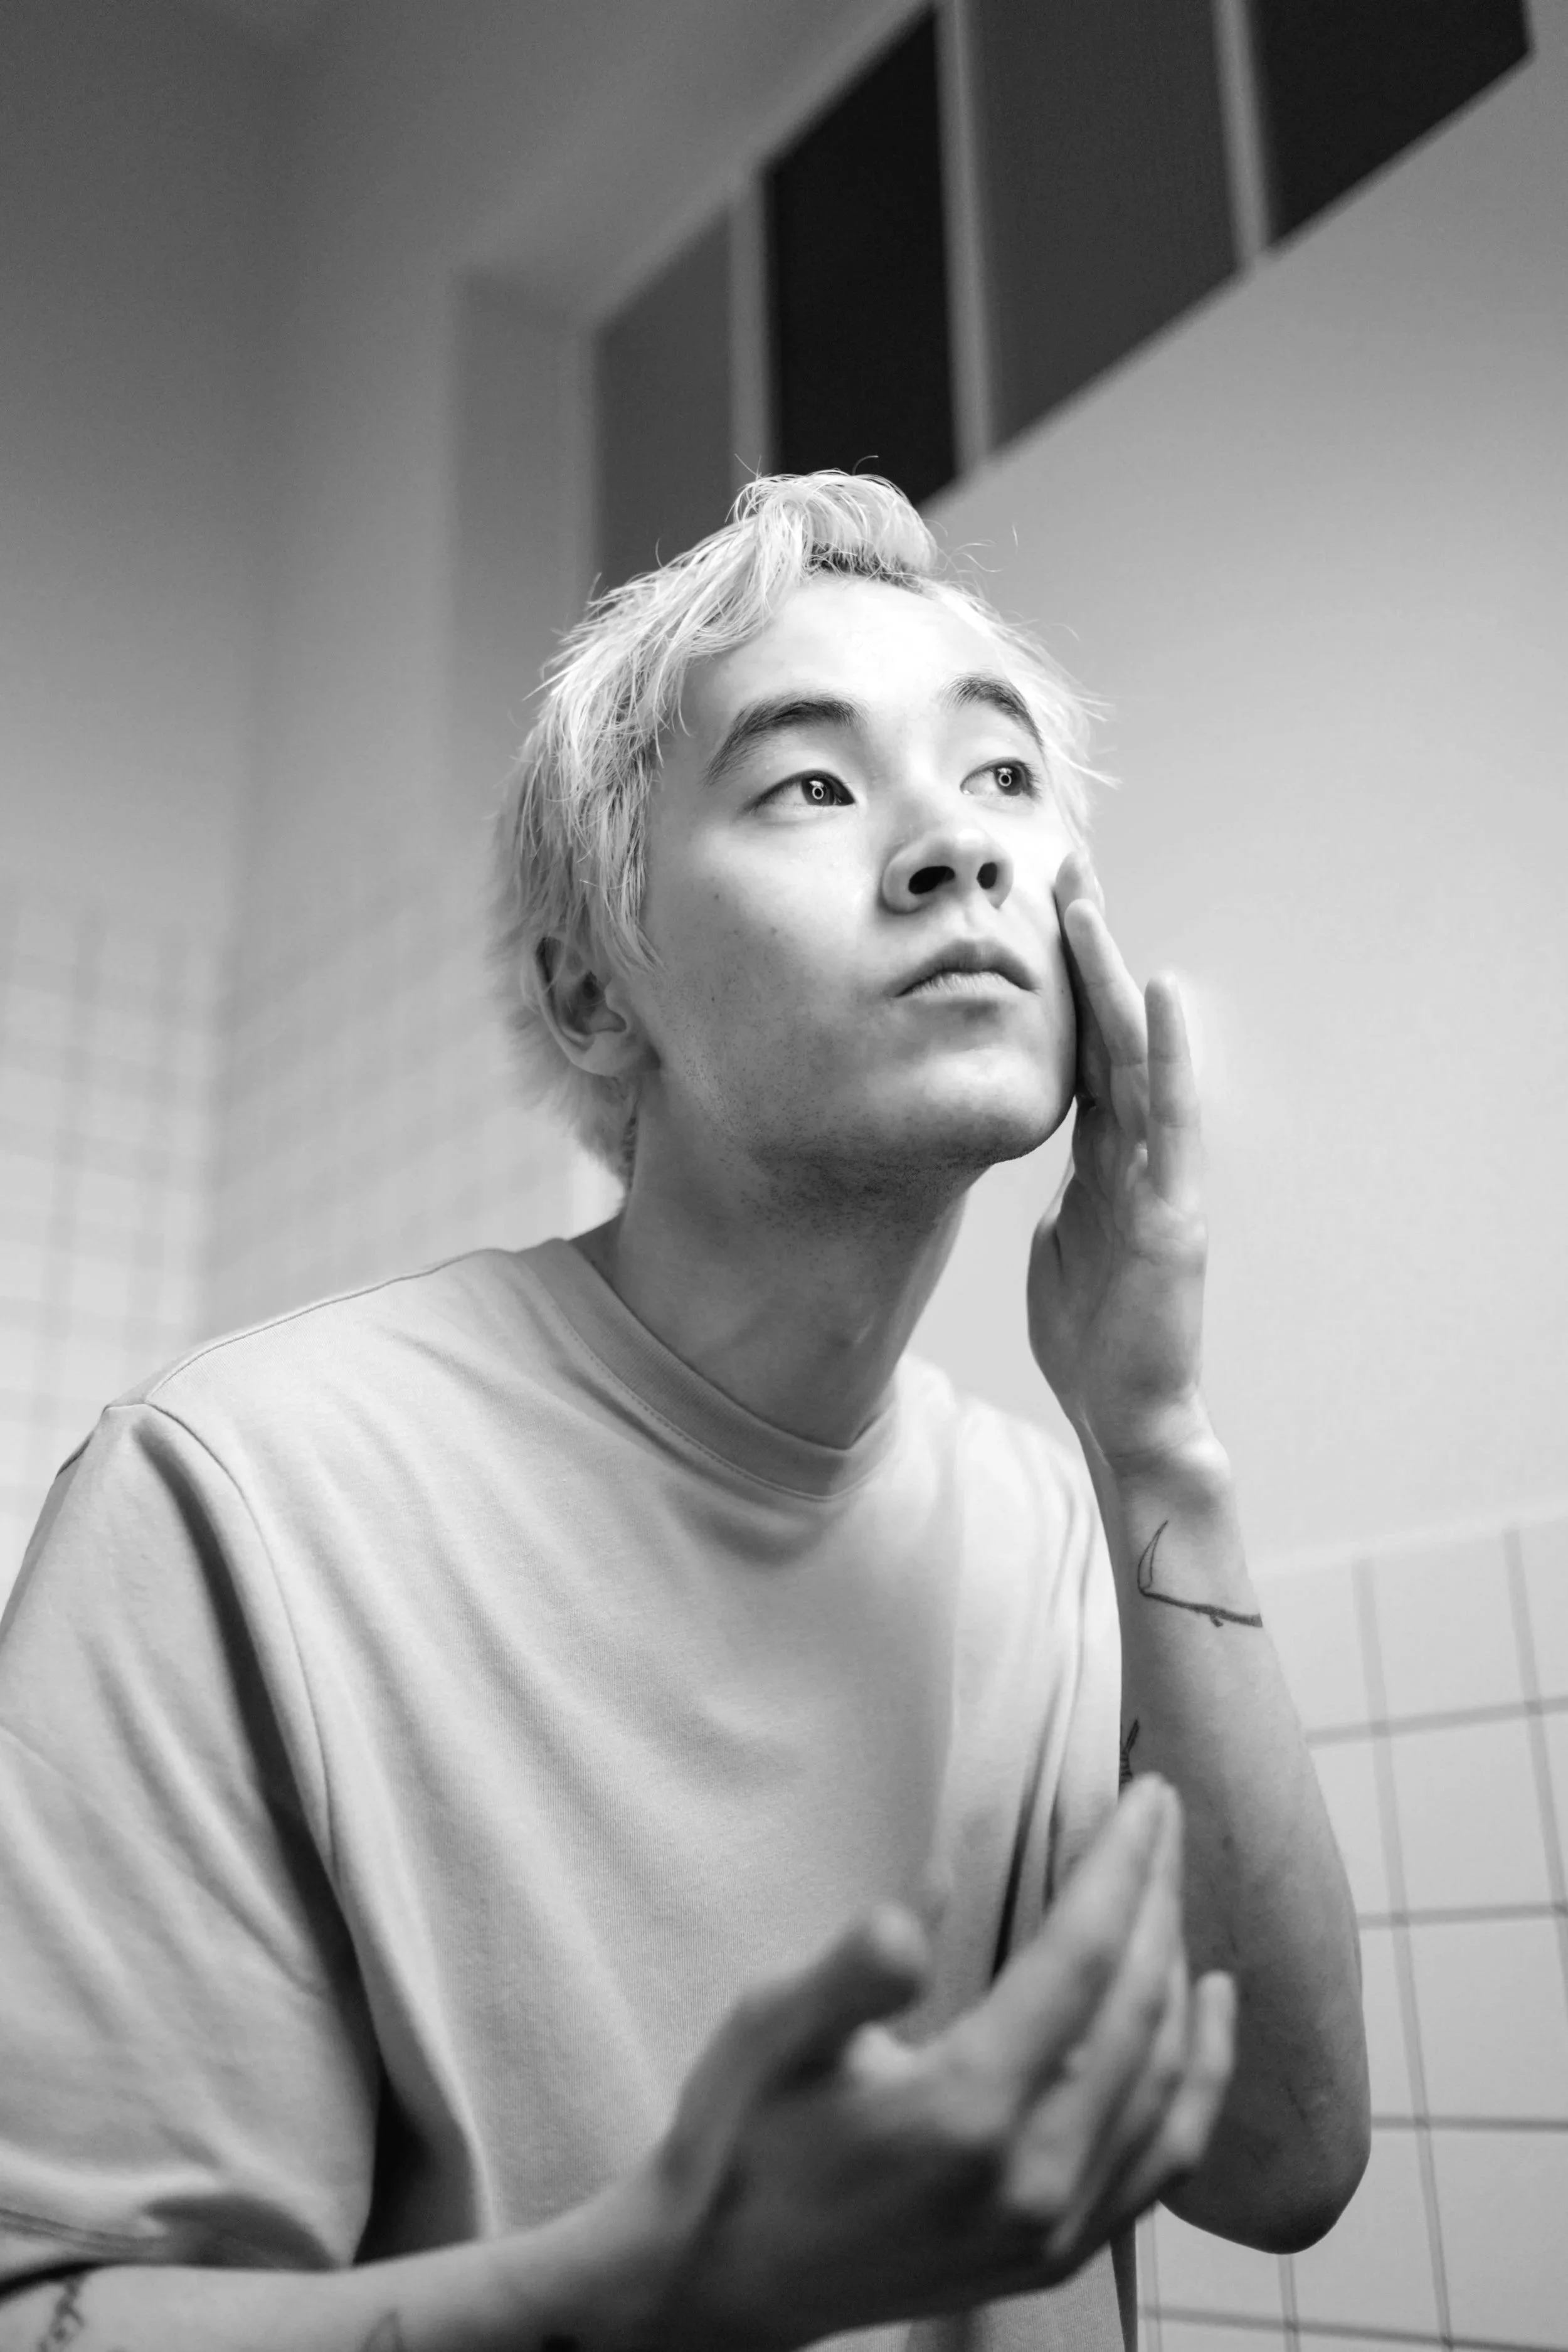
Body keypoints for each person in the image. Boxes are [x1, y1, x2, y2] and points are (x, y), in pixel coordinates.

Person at [0, 472, 1368, 2352]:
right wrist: (658, 2284)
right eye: (811, 782)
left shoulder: (1060, 1517)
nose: (950, 853)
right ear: (588, 989)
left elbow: (1278, 2157)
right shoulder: (234, 1497)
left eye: (998, 780)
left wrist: (1155, 1439)